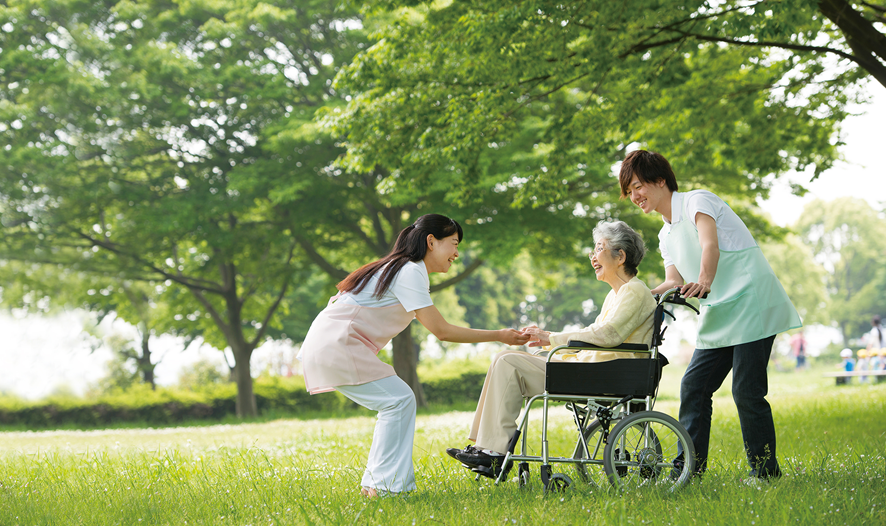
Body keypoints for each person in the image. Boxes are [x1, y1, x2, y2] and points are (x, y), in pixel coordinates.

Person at [298, 214, 530, 497]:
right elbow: (442, 331)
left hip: (333, 343)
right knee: (398, 401)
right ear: (431, 242)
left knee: (396, 402)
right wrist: (499, 335)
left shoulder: (404, 269)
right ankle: (384, 487)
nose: (457, 253)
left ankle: (377, 485)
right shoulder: (410, 270)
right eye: (454, 244)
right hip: (338, 344)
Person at [619, 150, 801, 480]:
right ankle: (688, 469)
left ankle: (765, 473)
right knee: (694, 387)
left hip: (750, 301)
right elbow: (673, 281)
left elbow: (709, 245)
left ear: (660, 181)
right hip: (719, 313)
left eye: (637, 187)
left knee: (746, 391)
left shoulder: (696, 201)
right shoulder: (665, 234)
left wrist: (704, 279)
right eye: (629, 191)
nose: (634, 197)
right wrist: (636, 295)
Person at [445, 221, 657, 472]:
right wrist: (547, 343)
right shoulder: (616, 294)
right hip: (591, 370)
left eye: (598, 249)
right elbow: (595, 338)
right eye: (593, 250)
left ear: (620, 255)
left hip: (603, 375)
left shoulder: (634, 291)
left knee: (507, 361)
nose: (593, 257)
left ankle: (493, 451)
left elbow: (607, 335)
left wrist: (550, 337)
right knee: (504, 358)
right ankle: (487, 449)